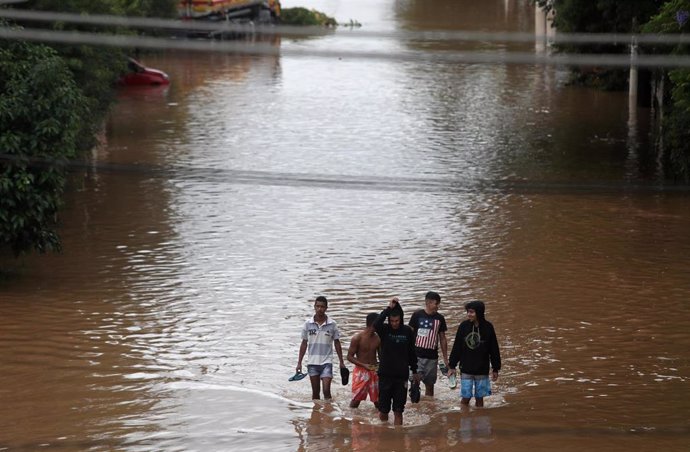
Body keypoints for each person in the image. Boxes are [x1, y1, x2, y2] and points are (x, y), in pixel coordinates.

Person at [373, 297, 420, 425]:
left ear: (401, 319)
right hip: (385, 376)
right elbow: (376, 324)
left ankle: (398, 439)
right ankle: (383, 434)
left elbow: (412, 352)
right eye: (392, 321)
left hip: (401, 377)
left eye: (397, 321)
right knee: (383, 410)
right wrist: (388, 309)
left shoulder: (407, 331)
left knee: (398, 410)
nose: (394, 323)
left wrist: (415, 371)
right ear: (389, 319)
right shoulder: (385, 330)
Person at [448, 300, 501, 407]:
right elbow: (457, 347)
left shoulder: (488, 327)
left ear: (479, 313)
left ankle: (480, 419)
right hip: (466, 368)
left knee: (479, 398)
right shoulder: (463, 326)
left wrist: (495, 368)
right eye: (468, 312)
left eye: (472, 312)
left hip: (482, 369)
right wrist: (452, 365)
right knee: (466, 397)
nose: (469, 314)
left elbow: (494, 349)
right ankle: (464, 419)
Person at [296, 296, 346, 400]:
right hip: (312, 362)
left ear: (326, 308)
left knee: (326, 391)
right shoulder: (307, 324)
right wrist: (299, 362)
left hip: (326, 362)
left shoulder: (332, 324)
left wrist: (341, 362)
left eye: (322, 306)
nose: (320, 309)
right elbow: (304, 343)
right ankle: (317, 414)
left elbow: (337, 343)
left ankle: (329, 413)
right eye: (317, 306)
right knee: (315, 393)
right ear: (314, 307)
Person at [408, 290, 450, 397]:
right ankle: (415, 404)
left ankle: (429, 409)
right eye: (436, 303)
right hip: (416, 356)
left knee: (430, 386)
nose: (437, 306)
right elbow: (409, 334)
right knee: (414, 383)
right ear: (428, 302)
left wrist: (446, 359)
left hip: (432, 357)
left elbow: (442, 339)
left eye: (438, 304)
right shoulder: (417, 315)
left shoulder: (440, 318)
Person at [346, 312, 381, 408]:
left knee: (378, 401)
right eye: (380, 323)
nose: (381, 325)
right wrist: (364, 365)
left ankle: (380, 422)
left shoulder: (378, 338)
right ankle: (352, 420)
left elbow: (381, 357)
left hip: (374, 371)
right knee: (356, 400)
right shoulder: (357, 338)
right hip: (361, 371)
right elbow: (349, 356)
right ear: (374, 324)